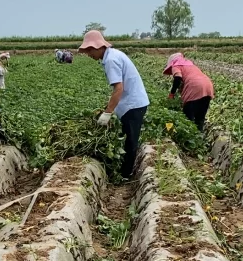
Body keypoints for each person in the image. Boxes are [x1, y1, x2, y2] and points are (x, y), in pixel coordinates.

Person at [78, 30, 149, 179]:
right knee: (127, 139)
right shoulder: (113, 55)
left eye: (89, 50)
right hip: (132, 103)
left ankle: (126, 176)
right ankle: (124, 171)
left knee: (130, 142)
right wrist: (109, 107)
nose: (89, 54)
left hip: (133, 105)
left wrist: (108, 112)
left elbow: (119, 88)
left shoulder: (111, 60)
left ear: (98, 47)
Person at [163, 53, 214, 131]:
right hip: (208, 86)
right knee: (200, 117)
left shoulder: (176, 66)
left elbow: (177, 78)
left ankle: (188, 139)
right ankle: (199, 139)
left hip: (195, 88)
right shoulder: (191, 65)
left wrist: (172, 93)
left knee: (187, 118)